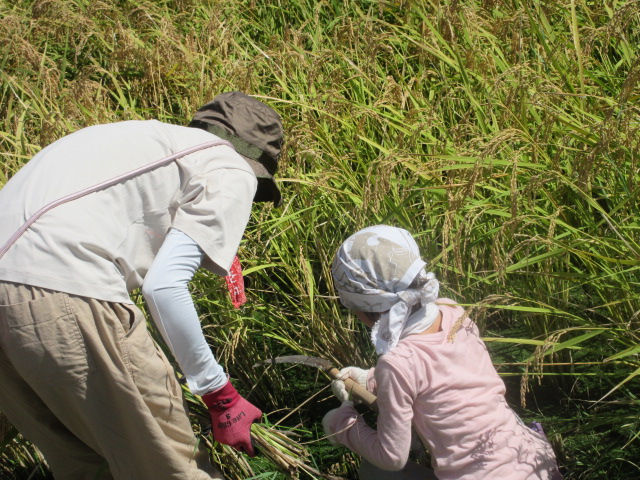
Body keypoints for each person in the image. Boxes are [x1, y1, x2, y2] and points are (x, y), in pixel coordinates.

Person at [0, 91, 283, 479]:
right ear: (256, 162)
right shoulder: (228, 166)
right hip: (64, 285)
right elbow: (163, 287)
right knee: (169, 467)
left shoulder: (133, 138)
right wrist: (220, 393)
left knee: (85, 465)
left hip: (15, 294)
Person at [323, 225, 563, 480]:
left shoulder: (396, 363)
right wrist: (370, 379)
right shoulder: (453, 313)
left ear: (362, 308)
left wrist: (344, 425)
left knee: (375, 471)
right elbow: (442, 379)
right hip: (535, 462)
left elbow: (392, 457)